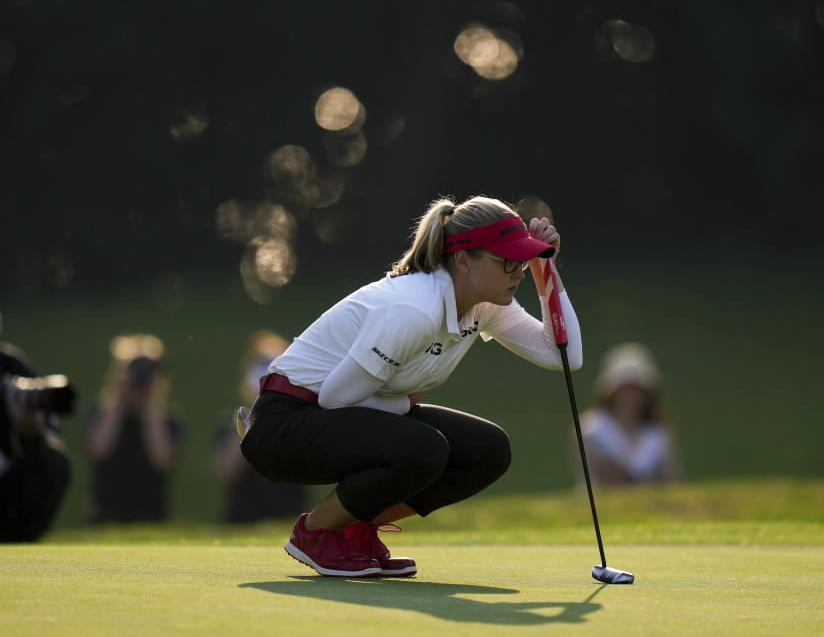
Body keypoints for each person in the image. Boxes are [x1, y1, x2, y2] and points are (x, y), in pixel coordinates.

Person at [239, 196, 582, 578]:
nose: (517, 271)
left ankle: (356, 526)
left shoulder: (486, 304)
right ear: (464, 260)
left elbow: (564, 355)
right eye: (508, 261)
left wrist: (544, 268)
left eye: (522, 260)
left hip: (334, 416)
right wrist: (406, 406)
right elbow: (335, 398)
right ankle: (317, 530)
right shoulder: (414, 308)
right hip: (285, 425)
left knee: (488, 450)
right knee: (425, 447)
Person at [85, 334, 182, 523]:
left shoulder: (168, 419)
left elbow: (162, 459)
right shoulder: (102, 413)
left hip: (153, 516)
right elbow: (98, 450)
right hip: (105, 515)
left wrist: (151, 404)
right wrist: (119, 399)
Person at [212, 330, 306, 523]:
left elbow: (308, 472)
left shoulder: (301, 419)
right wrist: (251, 415)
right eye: (262, 363)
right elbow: (225, 473)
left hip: (288, 521)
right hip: (242, 520)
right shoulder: (231, 422)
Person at [0, 328, 73, 542]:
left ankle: (17, 549)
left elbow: (51, 437)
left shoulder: (9, 365)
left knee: (53, 459)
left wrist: (31, 430)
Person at [578, 343, 681, 485]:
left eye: (636, 390)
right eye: (625, 390)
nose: (630, 397)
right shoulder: (590, 429)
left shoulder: (658, 432)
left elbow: (671, 478)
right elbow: (603, 476)